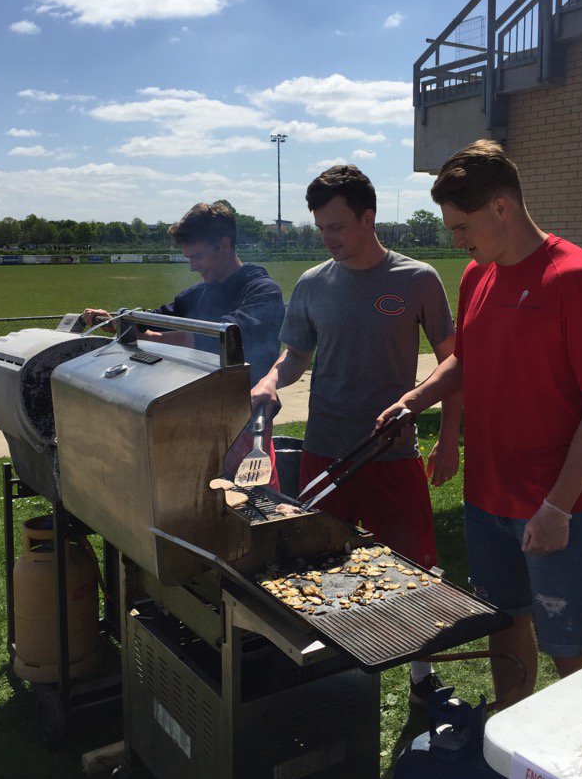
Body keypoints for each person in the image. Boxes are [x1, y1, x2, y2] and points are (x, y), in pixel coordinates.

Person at [377, 140, 582, 706]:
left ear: (501, 207)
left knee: (570, 650)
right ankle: (509, 739)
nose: (457, 241)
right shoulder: (478, 276)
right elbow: (465, 361)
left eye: (461, 227)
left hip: (556, 504)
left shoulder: (576, 281)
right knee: (504, 627)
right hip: (486, 498)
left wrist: (558, 507)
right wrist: (414, 400)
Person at [250, 164, 462, 705]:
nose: (328, 238)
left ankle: (421, 676)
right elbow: (296, 355)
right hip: (326, 450)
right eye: (322, 228)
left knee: (413, 565)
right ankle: (333, 674)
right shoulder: (313, 283)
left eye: (338, 227)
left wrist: (448, 436)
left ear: (369, 218)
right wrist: (271, 379)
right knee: (323, 564)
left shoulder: (417, 279)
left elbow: (455, 361)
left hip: (392, 453)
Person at [83, 201, 285, 479]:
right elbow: (157, 317)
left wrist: (151, 337)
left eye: (198, 256)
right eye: (189, 258)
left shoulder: (262, 292)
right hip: (194, 420)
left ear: (225, 245)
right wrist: (119, 321)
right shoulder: (197, 293)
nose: (192, 267)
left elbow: (221, 337)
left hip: (245, 426)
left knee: (251, 495)